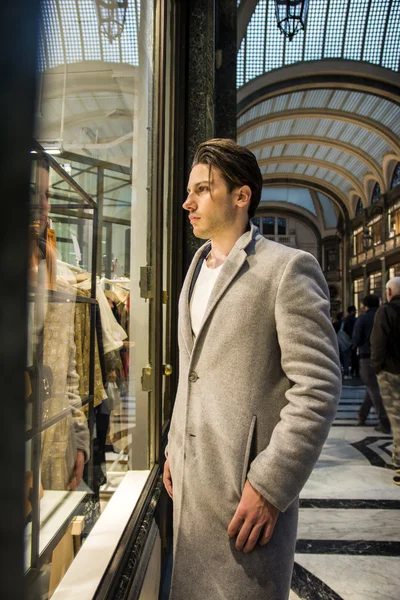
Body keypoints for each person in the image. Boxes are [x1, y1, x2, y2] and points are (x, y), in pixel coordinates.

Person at [163, 139, 341, 600]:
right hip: (192, 489)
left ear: (241, 196)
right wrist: (173, 444)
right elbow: (193, 372)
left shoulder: (288, 269)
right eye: (189, 190)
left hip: (244, 500)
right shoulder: (195, 269)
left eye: (202, 189)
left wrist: (269, 485)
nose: (188, 201)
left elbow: (318, 387)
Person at [371, 277, 400, 486]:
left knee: (397, 419)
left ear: (389, 292)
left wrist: (376, 367)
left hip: (391, 371)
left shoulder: (386, 311)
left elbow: (378, 341)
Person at [352, 295, 390, 432]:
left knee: (373, 388)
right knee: (371, 388)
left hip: (367, 357)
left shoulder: (363, 319)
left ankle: (384, 421)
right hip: (384, 357)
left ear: (365, 305)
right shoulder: (384, 316)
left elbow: (356, 338)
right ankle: (362, 415)